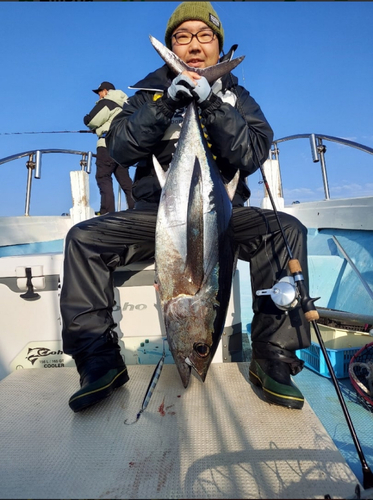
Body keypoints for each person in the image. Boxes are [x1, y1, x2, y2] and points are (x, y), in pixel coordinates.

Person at [61, 1, 311, 413]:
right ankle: (98, 362)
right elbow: (120, 148)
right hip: (155, 216)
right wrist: (165, 105)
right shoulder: (144, 95)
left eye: (204, 36)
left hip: (225, 215)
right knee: (83, 239)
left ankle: (273, 359)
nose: (194, 45)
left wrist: (212, 103)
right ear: (172, 44)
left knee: (285, 230)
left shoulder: (239, 98)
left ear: (218, 45)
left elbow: (252, 154)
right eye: (183, 36)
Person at [84, 81, 134, 214]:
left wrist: (89, 123)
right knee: (125, 180)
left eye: (100, 92)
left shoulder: (107, 102)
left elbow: (91, 120)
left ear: (106, 91)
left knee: (103, 176)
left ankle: (106, 211)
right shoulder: (127, 105)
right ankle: (135, 207)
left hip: (107, 145)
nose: (99, 95)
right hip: (123, 147)